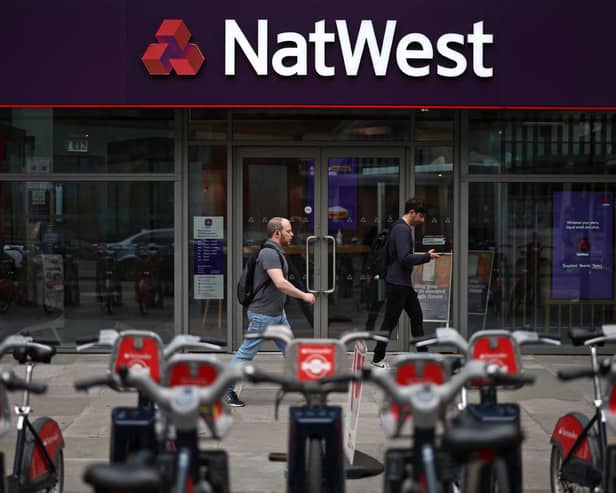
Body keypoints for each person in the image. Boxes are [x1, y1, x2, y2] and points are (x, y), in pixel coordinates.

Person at [223, 217, 316, 407]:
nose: (292, 234)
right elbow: (280, 283)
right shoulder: (269, 253)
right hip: (263, 316)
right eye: (288, 231)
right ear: (277, 233)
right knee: (245, 354)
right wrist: (303, 296)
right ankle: (226, 390)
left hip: (276, 314)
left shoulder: (275, 251)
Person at [371, 198, 440, 368]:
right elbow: (404, 258)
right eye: (421, 216)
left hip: (402, 284)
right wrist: (427, 257)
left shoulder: (398, 226)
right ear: (412, 213)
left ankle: (423, 357)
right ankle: (377, 359)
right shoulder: (402, 230)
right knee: (390, 322)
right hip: (398, 284)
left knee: (416, 317)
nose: (422, 220)